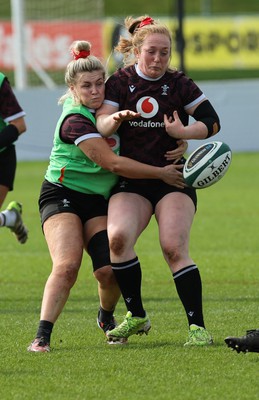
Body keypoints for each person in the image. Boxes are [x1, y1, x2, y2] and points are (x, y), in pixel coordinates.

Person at [27, 40, 188, 352]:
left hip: (100, 200)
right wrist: (160, 173)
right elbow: (112, 162)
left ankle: (106, 316)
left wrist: (181, 143)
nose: (95, 91)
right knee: (67, 265)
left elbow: (148, 135)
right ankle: (42, 336)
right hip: (63, 195)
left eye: (100, 83)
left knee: (107, 270)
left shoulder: (112, 108)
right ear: (73, 88)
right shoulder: (75, 120)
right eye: (86, 86)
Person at [96, 15, 221, 345]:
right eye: (151, 51)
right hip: (132, 179)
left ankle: (197, 328)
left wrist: (185, 132)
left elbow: (212, 121)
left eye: (164, 53)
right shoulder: (120, 82)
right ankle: (136, 315)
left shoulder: (180, 83)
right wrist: (116, 118)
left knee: (173, 247)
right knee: (118, 239)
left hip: (173, 179)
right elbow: (101, 123)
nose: (158, 59)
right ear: (137, 51)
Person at [0, 72, 28, 244]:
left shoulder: (0, 82)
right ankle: (10, 218)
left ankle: (10, 218)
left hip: (2, 158)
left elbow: (19, 125)